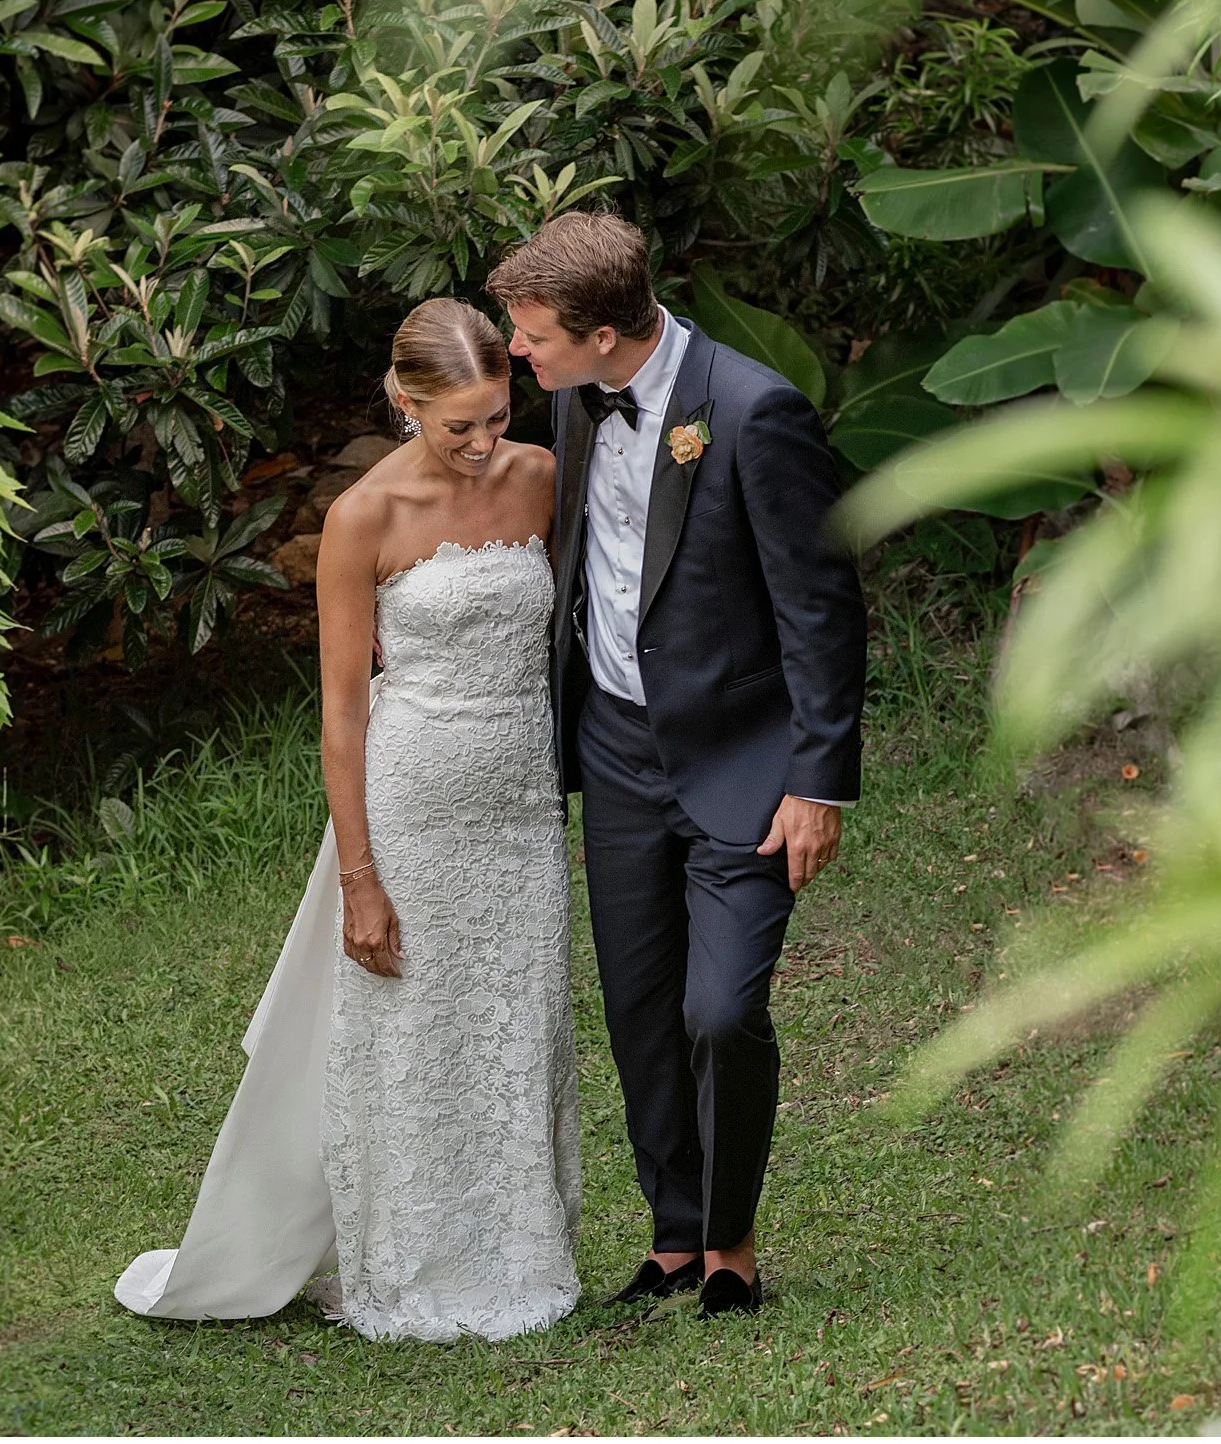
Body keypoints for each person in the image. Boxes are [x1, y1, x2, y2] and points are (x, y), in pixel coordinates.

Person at [115, 299, 582, 1342]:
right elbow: (339, 709)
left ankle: (520, 1252)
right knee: (411, 1035)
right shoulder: (361, 516)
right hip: (409, 799)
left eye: (495, 418)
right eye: (454, 423)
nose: (479, 443)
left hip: (518, 803)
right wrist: (360, 878)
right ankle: (409, 1265)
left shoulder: (540, 478)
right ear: (402, 400)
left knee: (515, 1020)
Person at [487, 212, 866, 1318]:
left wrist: (818, 780)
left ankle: (731, 1235)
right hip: (612, 747)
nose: (519, 355)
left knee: (717, 1008)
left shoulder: (753, 413)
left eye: (534, 337)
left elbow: (820, 611)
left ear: (606, 333)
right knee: (639, 1006)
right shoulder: (573, 396)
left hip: (745, 763)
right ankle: (672, 1232)